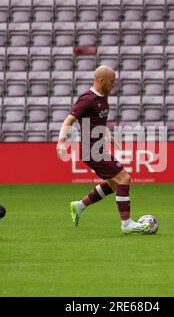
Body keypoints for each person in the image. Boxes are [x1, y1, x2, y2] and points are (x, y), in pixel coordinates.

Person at [56, 65, 149, 235]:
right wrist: (61, 141)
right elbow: (68, 121)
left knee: (114, 184)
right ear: (101, 81)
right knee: (125, 179)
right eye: (112, 82)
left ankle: (79, 205)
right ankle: (126, 224)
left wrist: (108, 135)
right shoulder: (87, 99)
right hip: (91, 150)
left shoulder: (103, 96)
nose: (114, 85)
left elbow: (96, 121)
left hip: (97, 148)